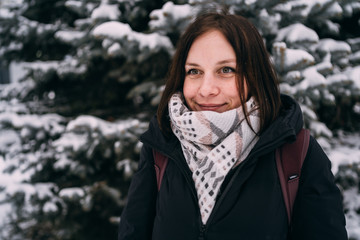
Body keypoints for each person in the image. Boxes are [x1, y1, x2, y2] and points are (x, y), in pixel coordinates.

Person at [118, 12, 348, 240]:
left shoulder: (297, 153)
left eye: (226, 70)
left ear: (255, 75)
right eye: (194, 71)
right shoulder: (161, 145)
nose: (206, 89)